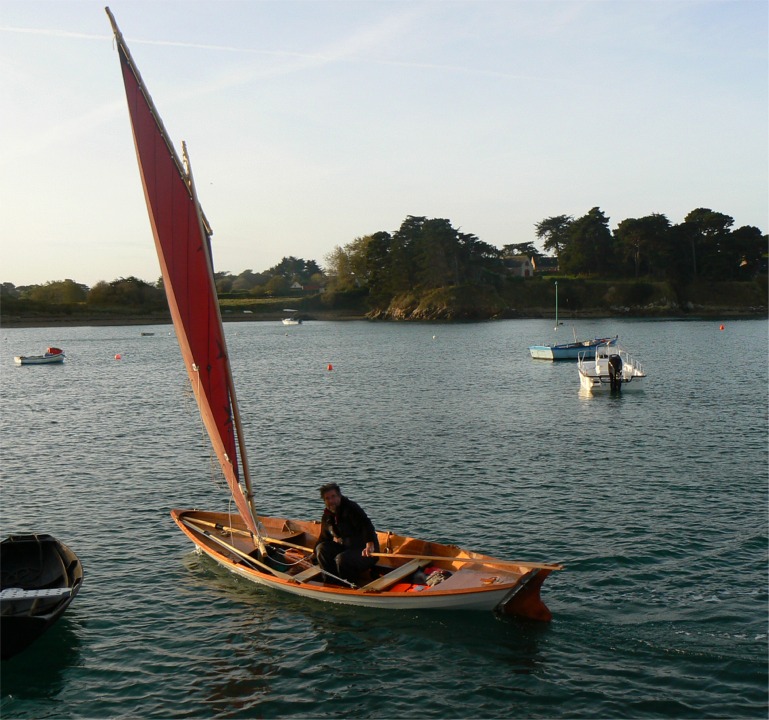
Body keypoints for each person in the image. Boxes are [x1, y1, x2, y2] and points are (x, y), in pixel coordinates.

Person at [314, 482, 379, 585]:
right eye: (327, 498)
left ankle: (349, 586)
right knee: (321, 549)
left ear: (339, 496)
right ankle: (330, 582)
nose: (331, 501)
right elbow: (324, 538)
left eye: (333, 496)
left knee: (342, 559)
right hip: (346, 549)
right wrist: (313, 555)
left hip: (364, 552)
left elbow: (366, 525)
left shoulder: (351, 509)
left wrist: (369, 544)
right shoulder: (327, 516)